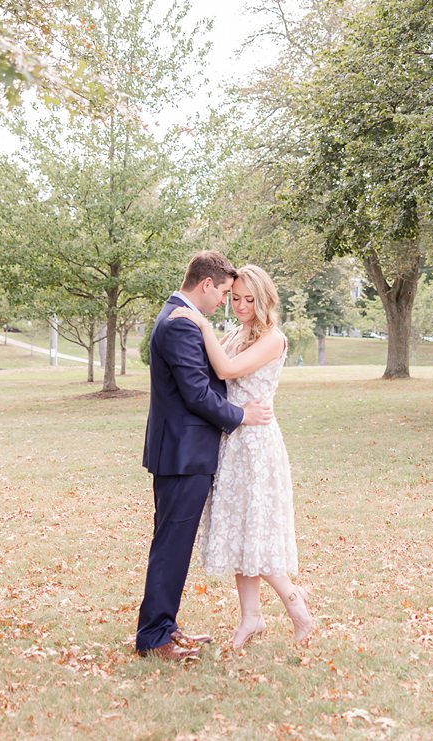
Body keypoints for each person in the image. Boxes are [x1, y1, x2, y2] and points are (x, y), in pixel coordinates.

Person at [136, 251, 274, 662]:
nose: (224, 303)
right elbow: (197, 393)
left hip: (184, 453)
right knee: (170, 547)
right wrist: (242, 415)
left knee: (173, 547)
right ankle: (154, 638)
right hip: (182, 455)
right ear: (207, 285)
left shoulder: (179, 316)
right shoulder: (179, 324)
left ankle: (165, 626)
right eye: (225, 293)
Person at [170, 263, 316, 648]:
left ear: (264, 299)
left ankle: (295, 602)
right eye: (235, 298)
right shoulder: (236, 332)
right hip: (232, 439)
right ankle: (250, 618)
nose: (241, 306)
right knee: (238, 532)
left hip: (257, 444)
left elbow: (227, 368)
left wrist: (200, 323)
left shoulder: (273, 339)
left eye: (250, 299)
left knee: (258, 531)